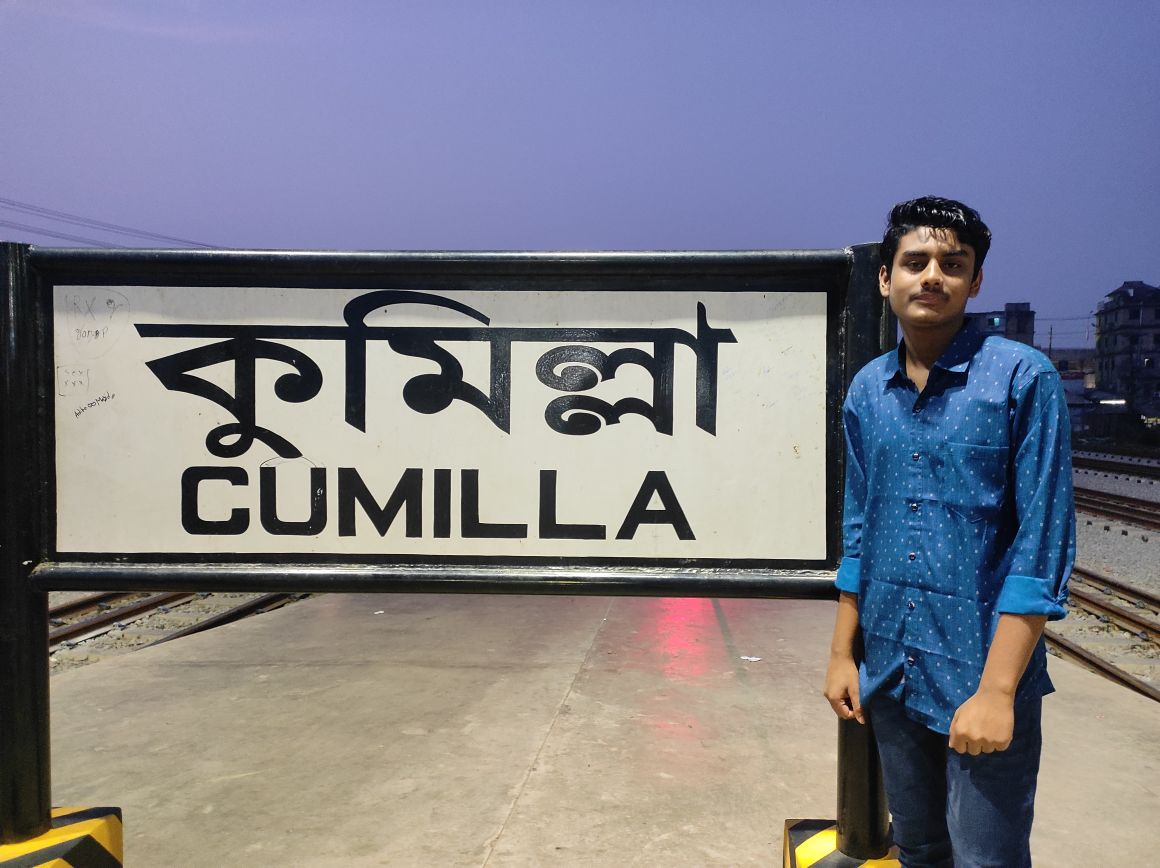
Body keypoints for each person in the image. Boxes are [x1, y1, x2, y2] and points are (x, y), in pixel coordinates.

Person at [823, 196, 1075, 867]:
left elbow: (1042, 546)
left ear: (975, 281)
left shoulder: (1021, 378)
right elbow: (860, 526)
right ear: (886, 278)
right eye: (915, 262)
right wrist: (843, 652)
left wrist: (997, 693)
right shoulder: (868, 390)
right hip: (891, 667)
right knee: (920, 848)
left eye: (952, 263)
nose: (932, 275)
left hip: (979, 668)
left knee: (986, 857)